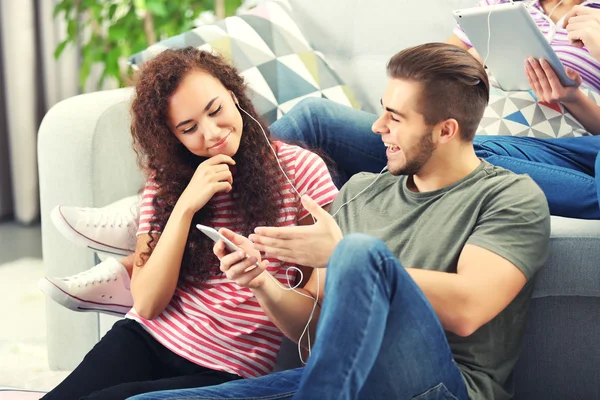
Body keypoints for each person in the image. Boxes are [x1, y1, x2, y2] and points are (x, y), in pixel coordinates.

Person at [40, 0, 600, 324]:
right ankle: (155, 229)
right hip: (497, 129)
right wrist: (473, 65)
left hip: (582, 152)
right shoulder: (514, 6)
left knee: (329, 136)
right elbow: (441, 81)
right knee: (314, 121)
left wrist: (584, 77)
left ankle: (154, 241)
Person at [122, 42, 551, 400]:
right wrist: (261, 283)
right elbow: (312, 340)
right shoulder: (363, 191)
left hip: (441, 386)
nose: (378, 126)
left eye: (395, 118)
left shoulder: (509, 197)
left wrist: (341, 255)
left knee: (362, 253)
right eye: (383, 111)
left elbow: (468, 309)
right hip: (339, 380)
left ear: (445, 130)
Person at [41, 47, 339, 400]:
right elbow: (148, 303)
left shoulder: (301, 172)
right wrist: (184, 206)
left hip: (226, 365)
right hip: (145, 337)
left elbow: (317, 314)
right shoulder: (168, 180)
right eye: (189, 128)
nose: (211, 134)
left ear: (233, 95)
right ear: (174, 137)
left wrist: (260, 277)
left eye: (216, 110)